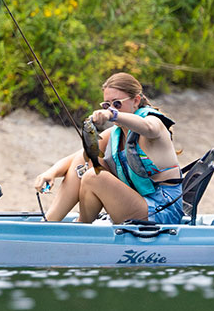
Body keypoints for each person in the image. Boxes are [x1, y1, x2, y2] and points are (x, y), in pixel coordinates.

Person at [34, 72, 183, 224]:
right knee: (86, 158)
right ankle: (50, 221)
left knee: (94, 176)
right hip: (139, 204)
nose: (111, 108)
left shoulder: (152, 121)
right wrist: (51, 172)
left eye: (117, 103)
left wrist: (112, 115)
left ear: (136, 101)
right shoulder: (115, 133)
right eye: (107, 105)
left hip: (162, 211)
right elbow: (77, 158)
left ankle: (81, 227)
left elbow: (149, 128)